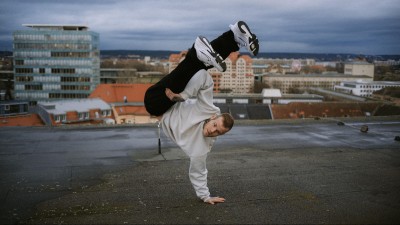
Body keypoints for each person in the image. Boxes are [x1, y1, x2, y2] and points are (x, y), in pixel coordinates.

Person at [144, 21, 259, 204]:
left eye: (217, 132)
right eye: (215, 126)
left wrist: (205, 196)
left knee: (196, 65)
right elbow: (205, 80)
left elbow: (199, 172)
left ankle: (230, 39)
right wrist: (182, 96)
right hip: (160, 98)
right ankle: (226, 41)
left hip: (156, 107)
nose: (212, 131)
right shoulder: (208, 110)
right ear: (214, 117)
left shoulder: (202, 148)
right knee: (191, 73)